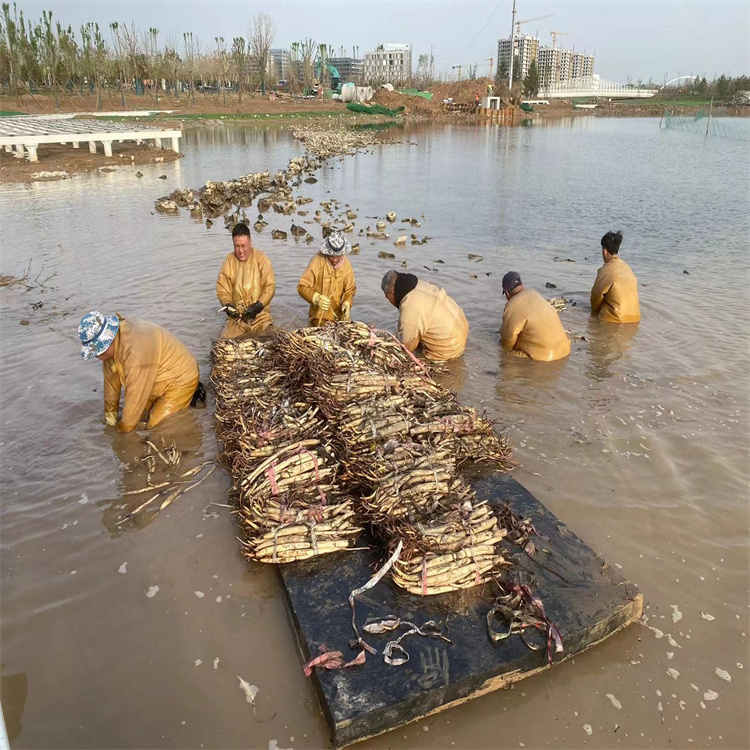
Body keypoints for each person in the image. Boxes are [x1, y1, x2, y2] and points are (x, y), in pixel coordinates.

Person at [78, 311, 202, 433]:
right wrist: (110, 420)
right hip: (154, 377)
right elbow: (111, 386)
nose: (98, 356)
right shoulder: (113, 348)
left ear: (109, 340)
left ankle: (190, 398)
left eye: (99, 351)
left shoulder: (135, 352)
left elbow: (135, 395)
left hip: (180, 377)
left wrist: (122, 432)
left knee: (157, 427)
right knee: (142, 417)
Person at [381, 270, 469, 361]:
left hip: (449, 348)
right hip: (461, 327)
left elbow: (407, 347)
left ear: (392, 292)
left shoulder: (410, 306)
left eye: (387, 297)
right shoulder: (418, 284)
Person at [216, 223, 275, 338]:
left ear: (250, 243)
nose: (240, 250)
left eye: (243, 246)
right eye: (237, 246)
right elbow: (222, 290)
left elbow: (270, 287)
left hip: (260, 317)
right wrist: (228, 306)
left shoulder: (261, 259)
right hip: (237, 320)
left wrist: (258, 306)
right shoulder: (229, 261)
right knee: (223, 343)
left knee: (271, 340)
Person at [499, 272, 571, 361]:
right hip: (565, 350)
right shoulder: (535, 295)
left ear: (507, 293)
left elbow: (507, 342)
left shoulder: (512, 305)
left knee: (507, 353)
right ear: (521, 286)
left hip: (545, 358)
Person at [297, 231, 356, 325]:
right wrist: (316, 298)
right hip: (317, 318)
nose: (335, 260)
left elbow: (350, 289)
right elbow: (301, 287)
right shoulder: (317, 261)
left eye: (338, 256)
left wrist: (347, 303)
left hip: (339, 319)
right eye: (332, 256)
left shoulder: (346, 264)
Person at [590, 230, 641, 323]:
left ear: (605, 251)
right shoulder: (627, 269)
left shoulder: (606, 269)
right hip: (635, 318)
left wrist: (593, 312)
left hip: (614, 319)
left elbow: (596, 297)